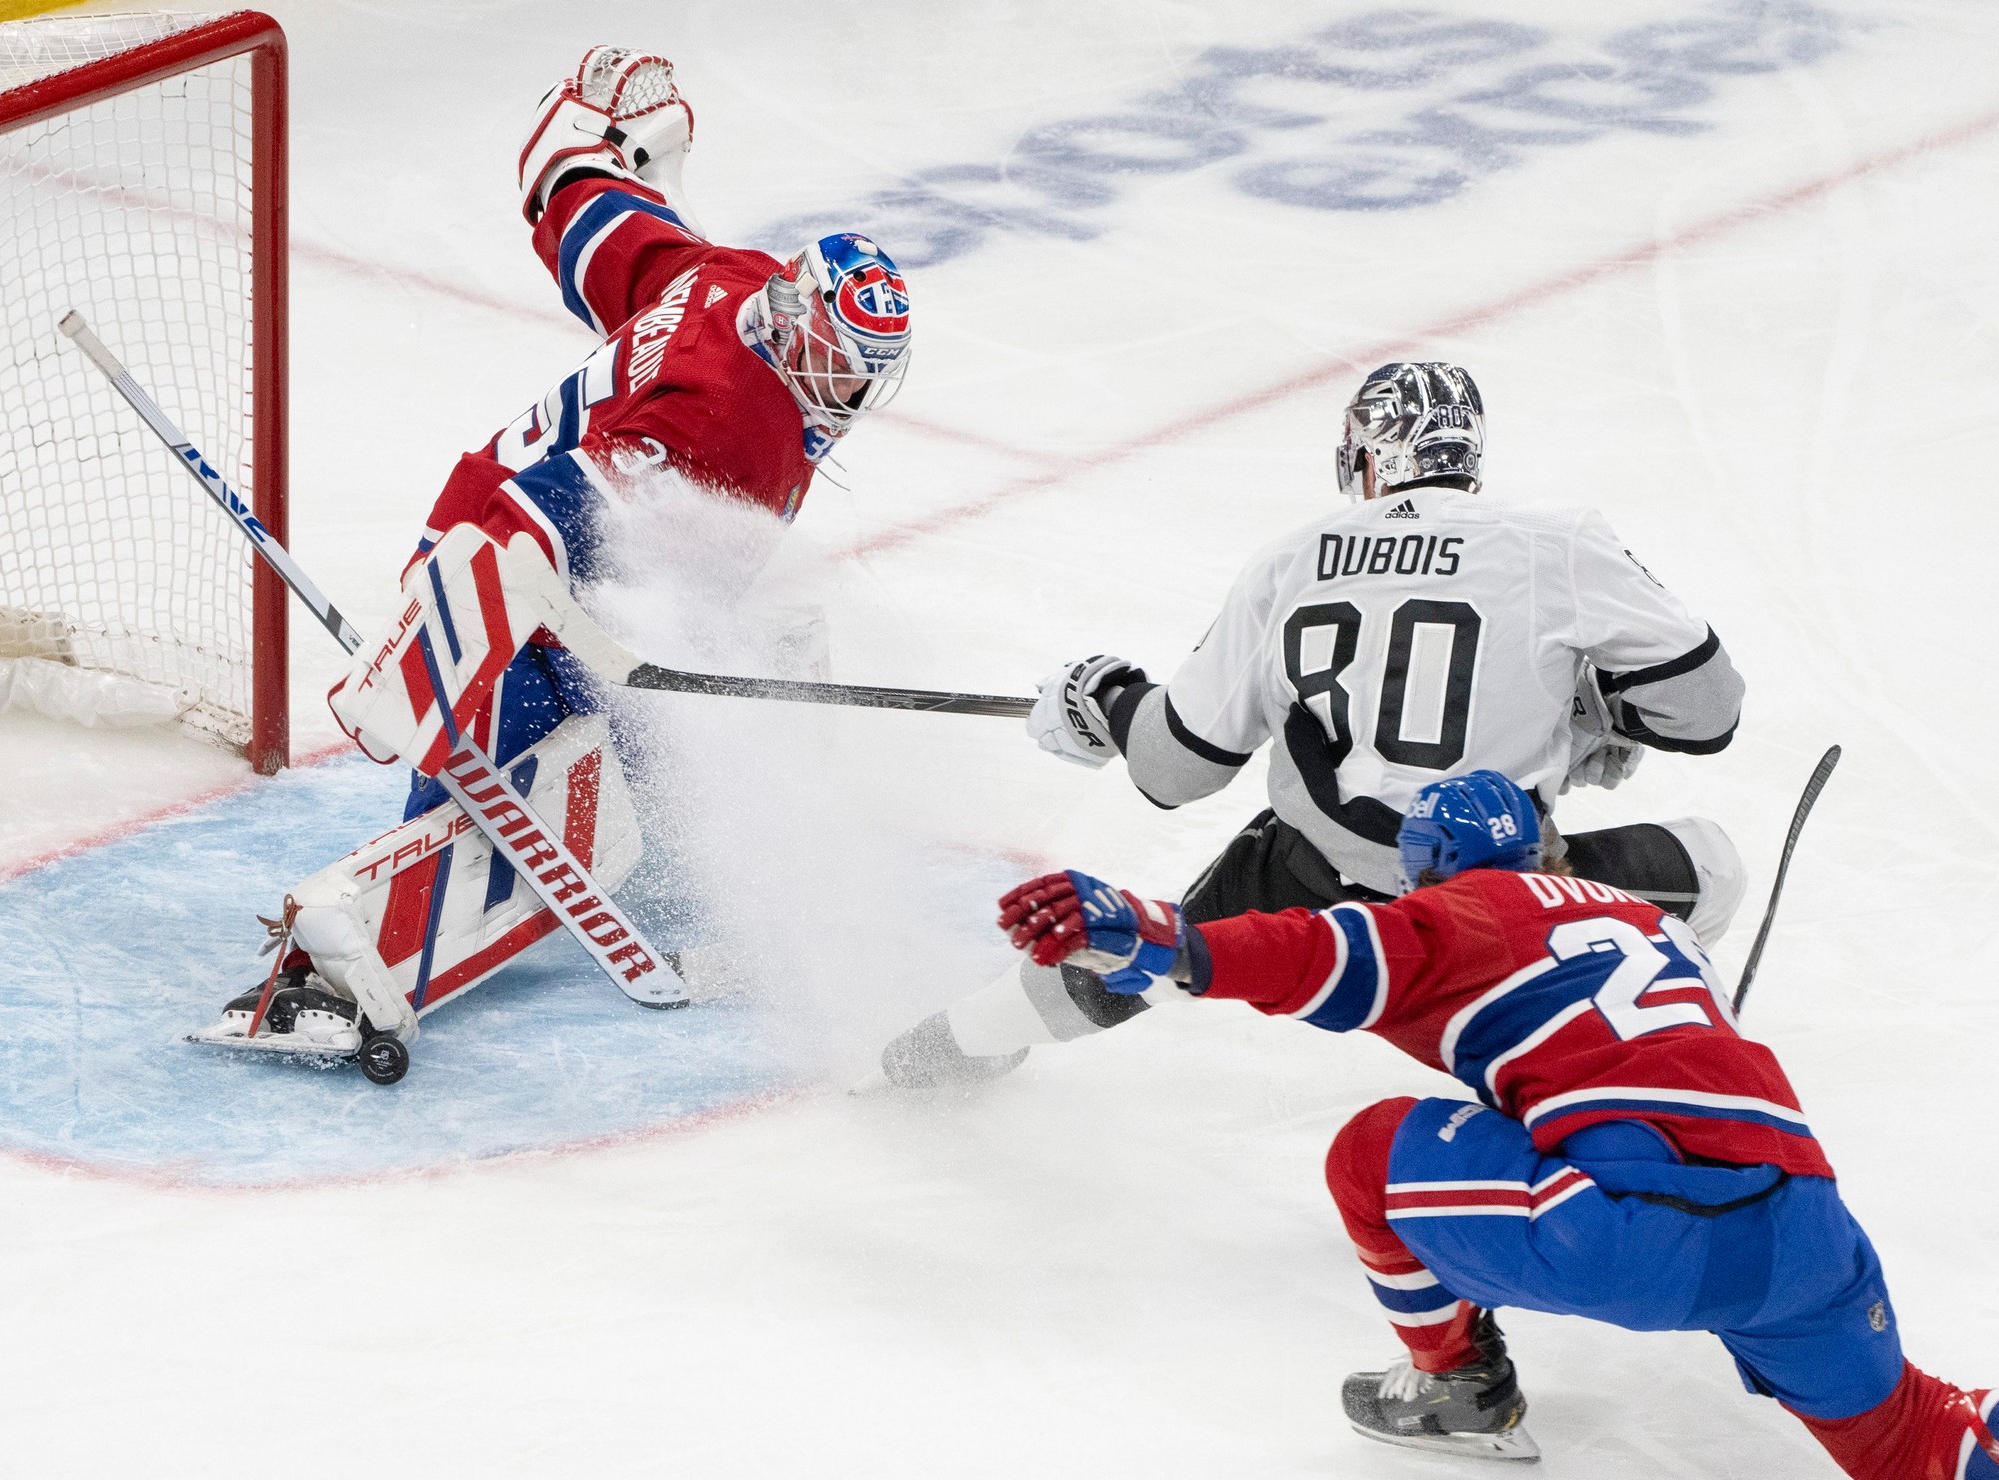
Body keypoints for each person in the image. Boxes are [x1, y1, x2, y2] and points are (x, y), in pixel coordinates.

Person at [192, 46, 913, 1066]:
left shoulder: (729, 282)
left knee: (752, 673)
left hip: (569, 559)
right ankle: (331, 977)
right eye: (834, 368)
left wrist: (595, 137)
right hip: (502, 564)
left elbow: (580, 204)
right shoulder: (722, 419)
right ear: (794, 324)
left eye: (861, 378)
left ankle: (715, 871)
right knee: (513, 773)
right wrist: (424, 658)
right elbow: (550, 513)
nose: (841, 399)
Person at [993, 769, 1998, 1475]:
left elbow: (1316, 952)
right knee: (1910, 1436)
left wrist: (1159, 935)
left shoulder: (1465, 911)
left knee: (1370, 1155)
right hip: (1807, 1234)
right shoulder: (1647, 917)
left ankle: (1454, 1389)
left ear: (1426, 872)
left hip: (1633, 1223)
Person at [872, 362, 1744, 1090]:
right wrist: (1595, 706)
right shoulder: (1558, 545)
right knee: (1710, 865)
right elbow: (1708, 712)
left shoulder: (1294, 561)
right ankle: (1628, 1015)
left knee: (1150, 959)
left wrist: (1109, 700)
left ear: (1367, 454)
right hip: (1495, 905)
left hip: (1316, 880)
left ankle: (933, 1056)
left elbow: (1177, 770)